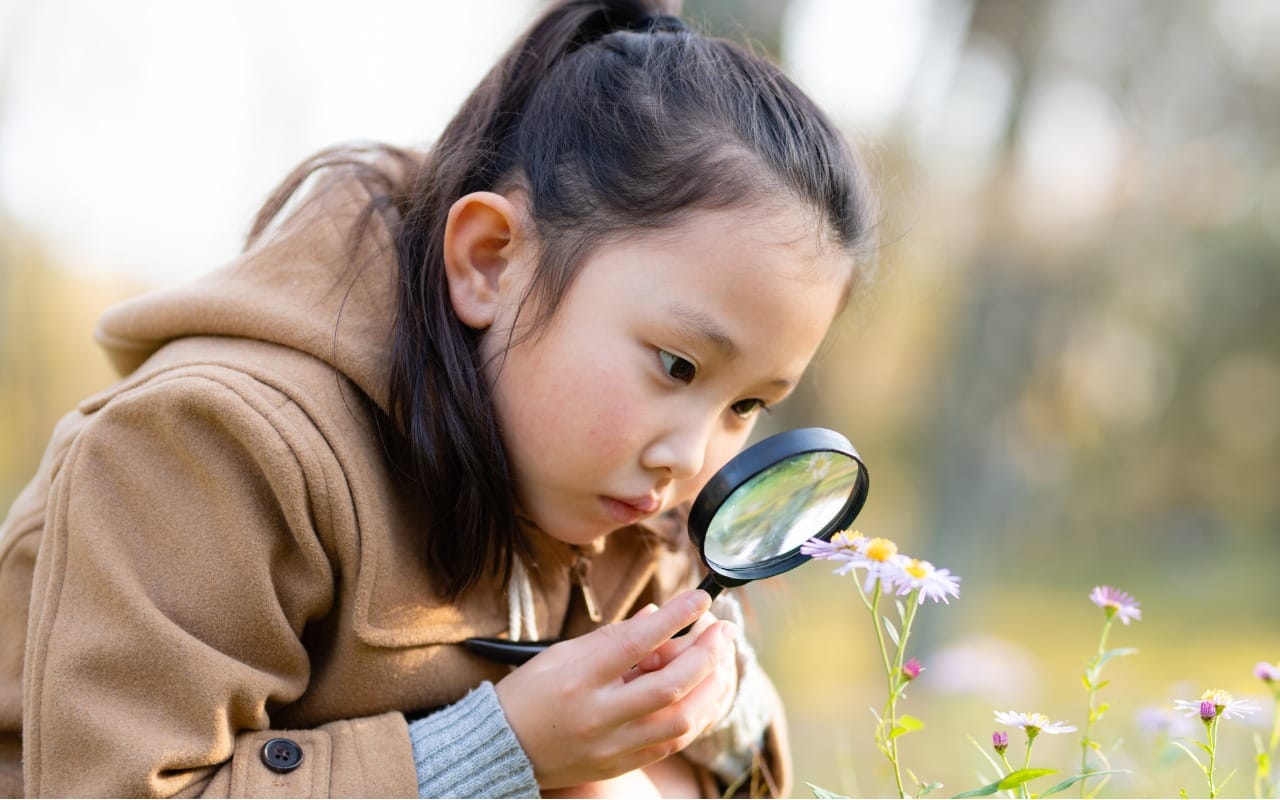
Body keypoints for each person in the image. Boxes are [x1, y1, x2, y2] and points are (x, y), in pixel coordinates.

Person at [0, 0, 876, 796]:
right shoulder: (207, 449)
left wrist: (713, 704)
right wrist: (499, 754)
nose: (690, 460)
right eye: (679, 366)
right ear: (490, 260)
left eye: (748, 406)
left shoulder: (617, 505)